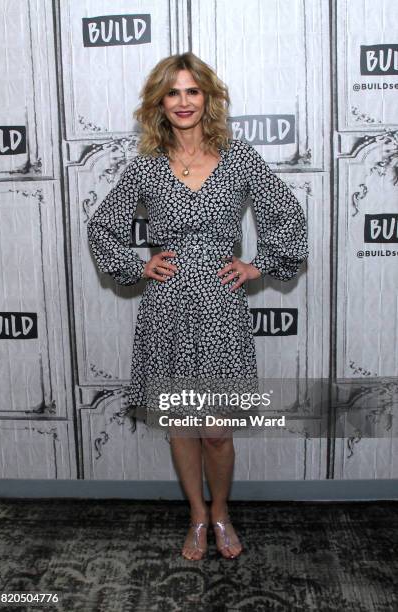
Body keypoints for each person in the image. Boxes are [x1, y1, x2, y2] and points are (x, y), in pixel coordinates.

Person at [87, 52, 308, 561]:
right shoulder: (146, 168)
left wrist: (259, 264)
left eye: (192, 91)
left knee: (215, 431)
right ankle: (196, 516)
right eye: (173, 92)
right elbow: (103, 226)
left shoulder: (239, 158)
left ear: (206, 97)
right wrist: (138, 265)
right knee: (182, 426)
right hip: (166, 307)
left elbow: (288, 213)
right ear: (159, 103)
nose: (183, 101)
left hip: (219, 308)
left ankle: (223, 511)